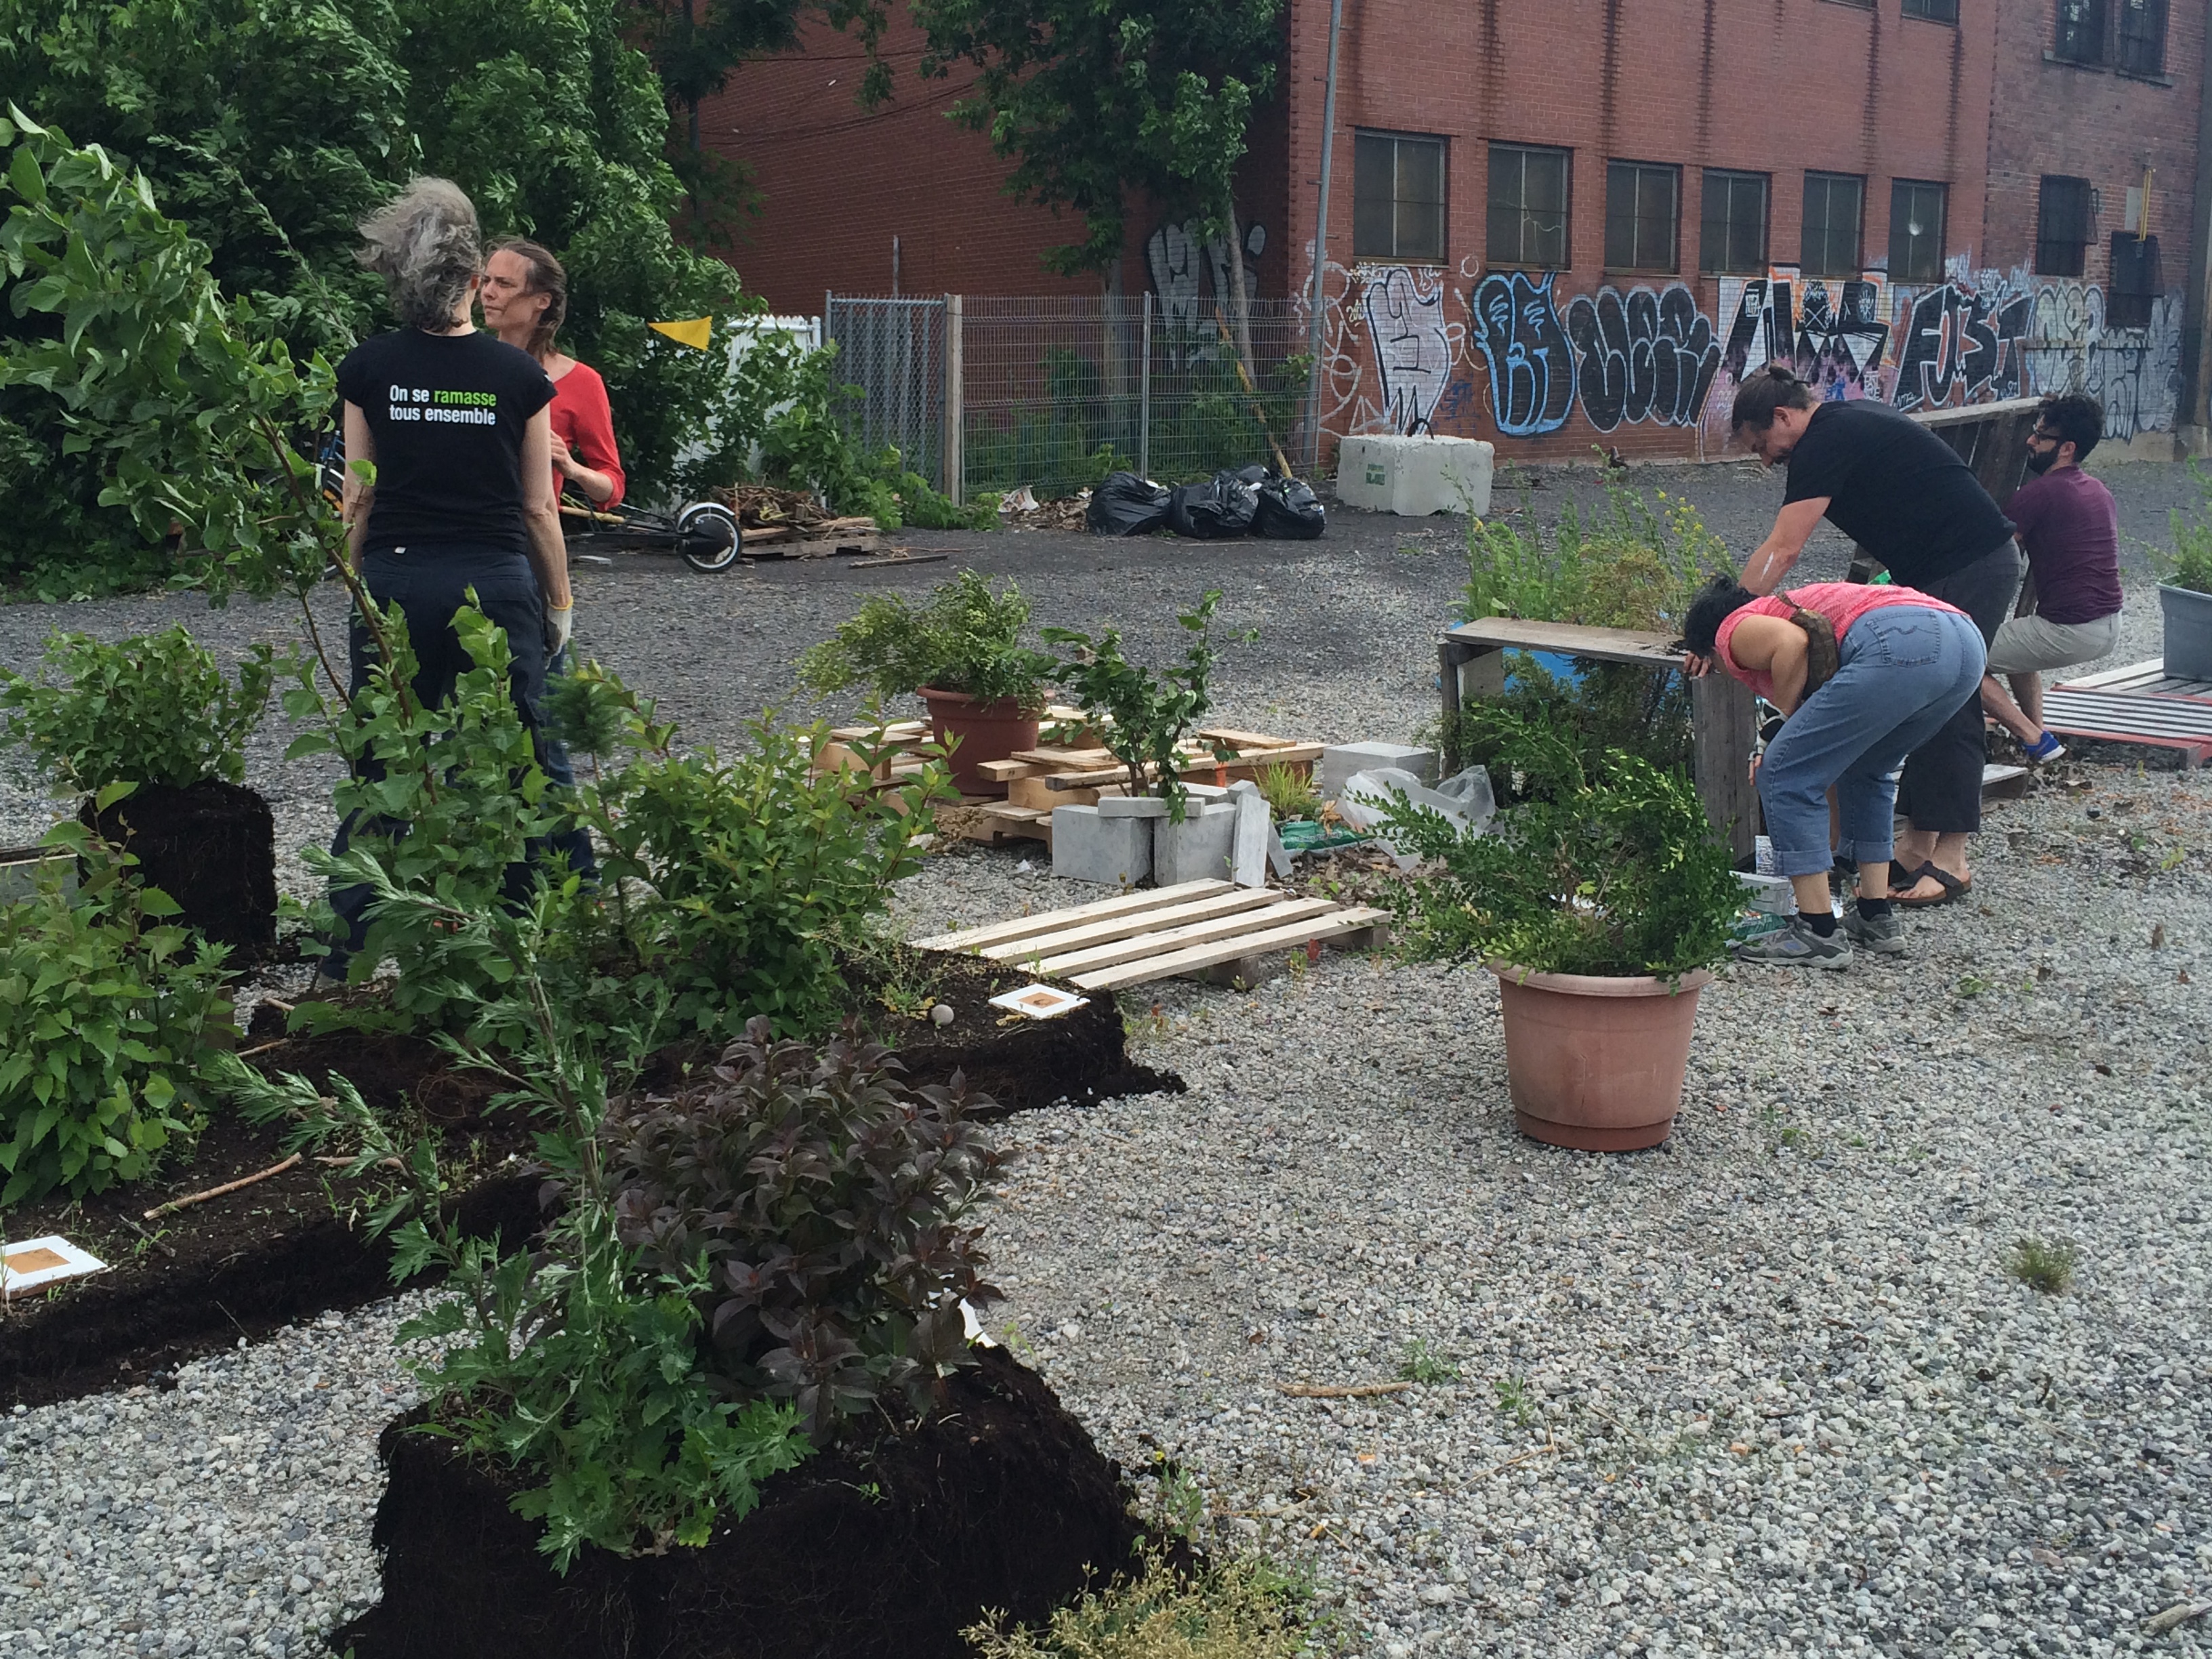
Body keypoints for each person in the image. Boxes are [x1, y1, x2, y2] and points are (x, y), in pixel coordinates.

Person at [326, 178, 583, 965]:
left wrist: (353, 584)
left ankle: (353, 950)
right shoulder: (520, 379)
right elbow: (539, 509)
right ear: (474, 279)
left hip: (397, 585)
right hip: (496, 588)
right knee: (525, 761)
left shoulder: (367, 369)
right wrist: (561, 603)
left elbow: (356, 502)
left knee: (383, 764)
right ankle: (544, 931)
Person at [1727, 365, 2022, 909]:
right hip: (1944, 567)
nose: (1767, 461)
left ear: (1782, 416)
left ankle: (1951, 856)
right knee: (1921, 703)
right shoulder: (1846, 421)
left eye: (1763, 446)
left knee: (1951, 700)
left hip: (1971, 563)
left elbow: (1784, 548)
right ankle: (1912, 849)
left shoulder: (1824, 440)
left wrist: (1733, 610)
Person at [1682, 576, 1988, 969]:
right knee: (1867, 767)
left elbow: (1792, 644)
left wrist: (1781, 732)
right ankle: (1875, 917)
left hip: (1903, 643)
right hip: (1963, 642)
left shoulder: (1733, 627)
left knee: (1785, 773)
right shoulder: (1798, 603)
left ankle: (1818, 931)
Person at [1978, 392, 2123, 762]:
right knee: (2020, 641)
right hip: (2109, 624)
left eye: (2041, 436)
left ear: (2066, 448)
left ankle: (2032, 737)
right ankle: (2038, 741)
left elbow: (1991, 558)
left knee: (1959, 657)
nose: (2031, 441)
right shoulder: (2098, 490)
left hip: (2069, 629)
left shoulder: (2038, 493)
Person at [478, 238, 626, 511]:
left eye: (504, 284)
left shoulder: (582, 381)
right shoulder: (466, 364)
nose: (487, 292)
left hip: (529, 539)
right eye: (486, 281)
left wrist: (571, 468)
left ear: (542, 301)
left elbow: (611, 488)